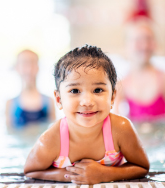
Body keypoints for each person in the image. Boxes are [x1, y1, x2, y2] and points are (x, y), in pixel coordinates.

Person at [24, 45, 149, 184]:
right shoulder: (52, 139)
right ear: (59, 99)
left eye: (97, 90)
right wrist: (69, 175)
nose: (87, 102)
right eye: (75, 91)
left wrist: (105, 174)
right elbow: (30, 171)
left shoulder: (120, 129)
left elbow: (142, 166)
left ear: (112, 97)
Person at [114, 22, 165, 122]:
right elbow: (114, 121)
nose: (144, 45)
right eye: (138, 40)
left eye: (148, 39)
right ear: (127, 45)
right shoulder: (122, 85)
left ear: (155, 44)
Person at [5, 50, 55, 128]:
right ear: (17, 68)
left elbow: (53, 133)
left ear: (38, 67)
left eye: (32, 63)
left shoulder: (49, 102)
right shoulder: (10, 104)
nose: (29, 69)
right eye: (24, 63)